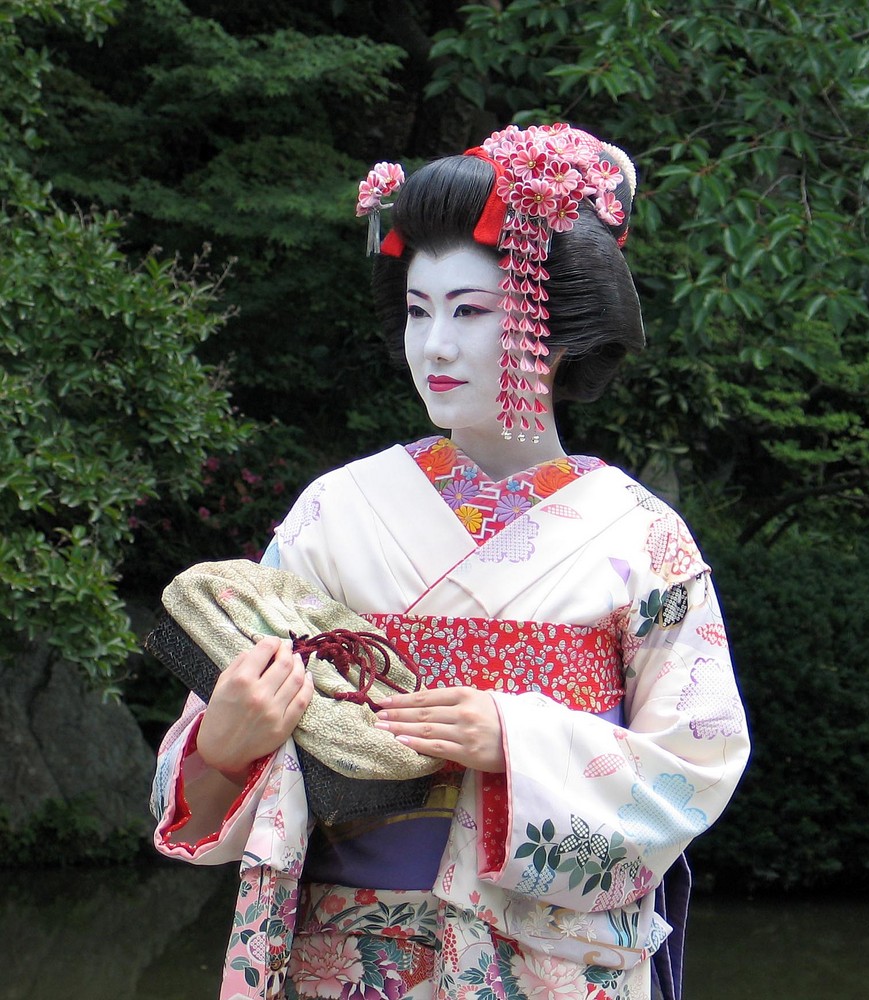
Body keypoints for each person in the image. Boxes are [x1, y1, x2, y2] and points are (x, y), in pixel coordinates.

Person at [151, 123, 750, 1000]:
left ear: (553, 325)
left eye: (470, 311)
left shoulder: (638, 534)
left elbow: (696, 761)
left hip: (546, 955)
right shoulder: (334, 511)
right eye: (417, 310)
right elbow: (196, 772)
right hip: (346, 953)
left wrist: (517, 740)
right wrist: (225, 742)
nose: (433, 345)